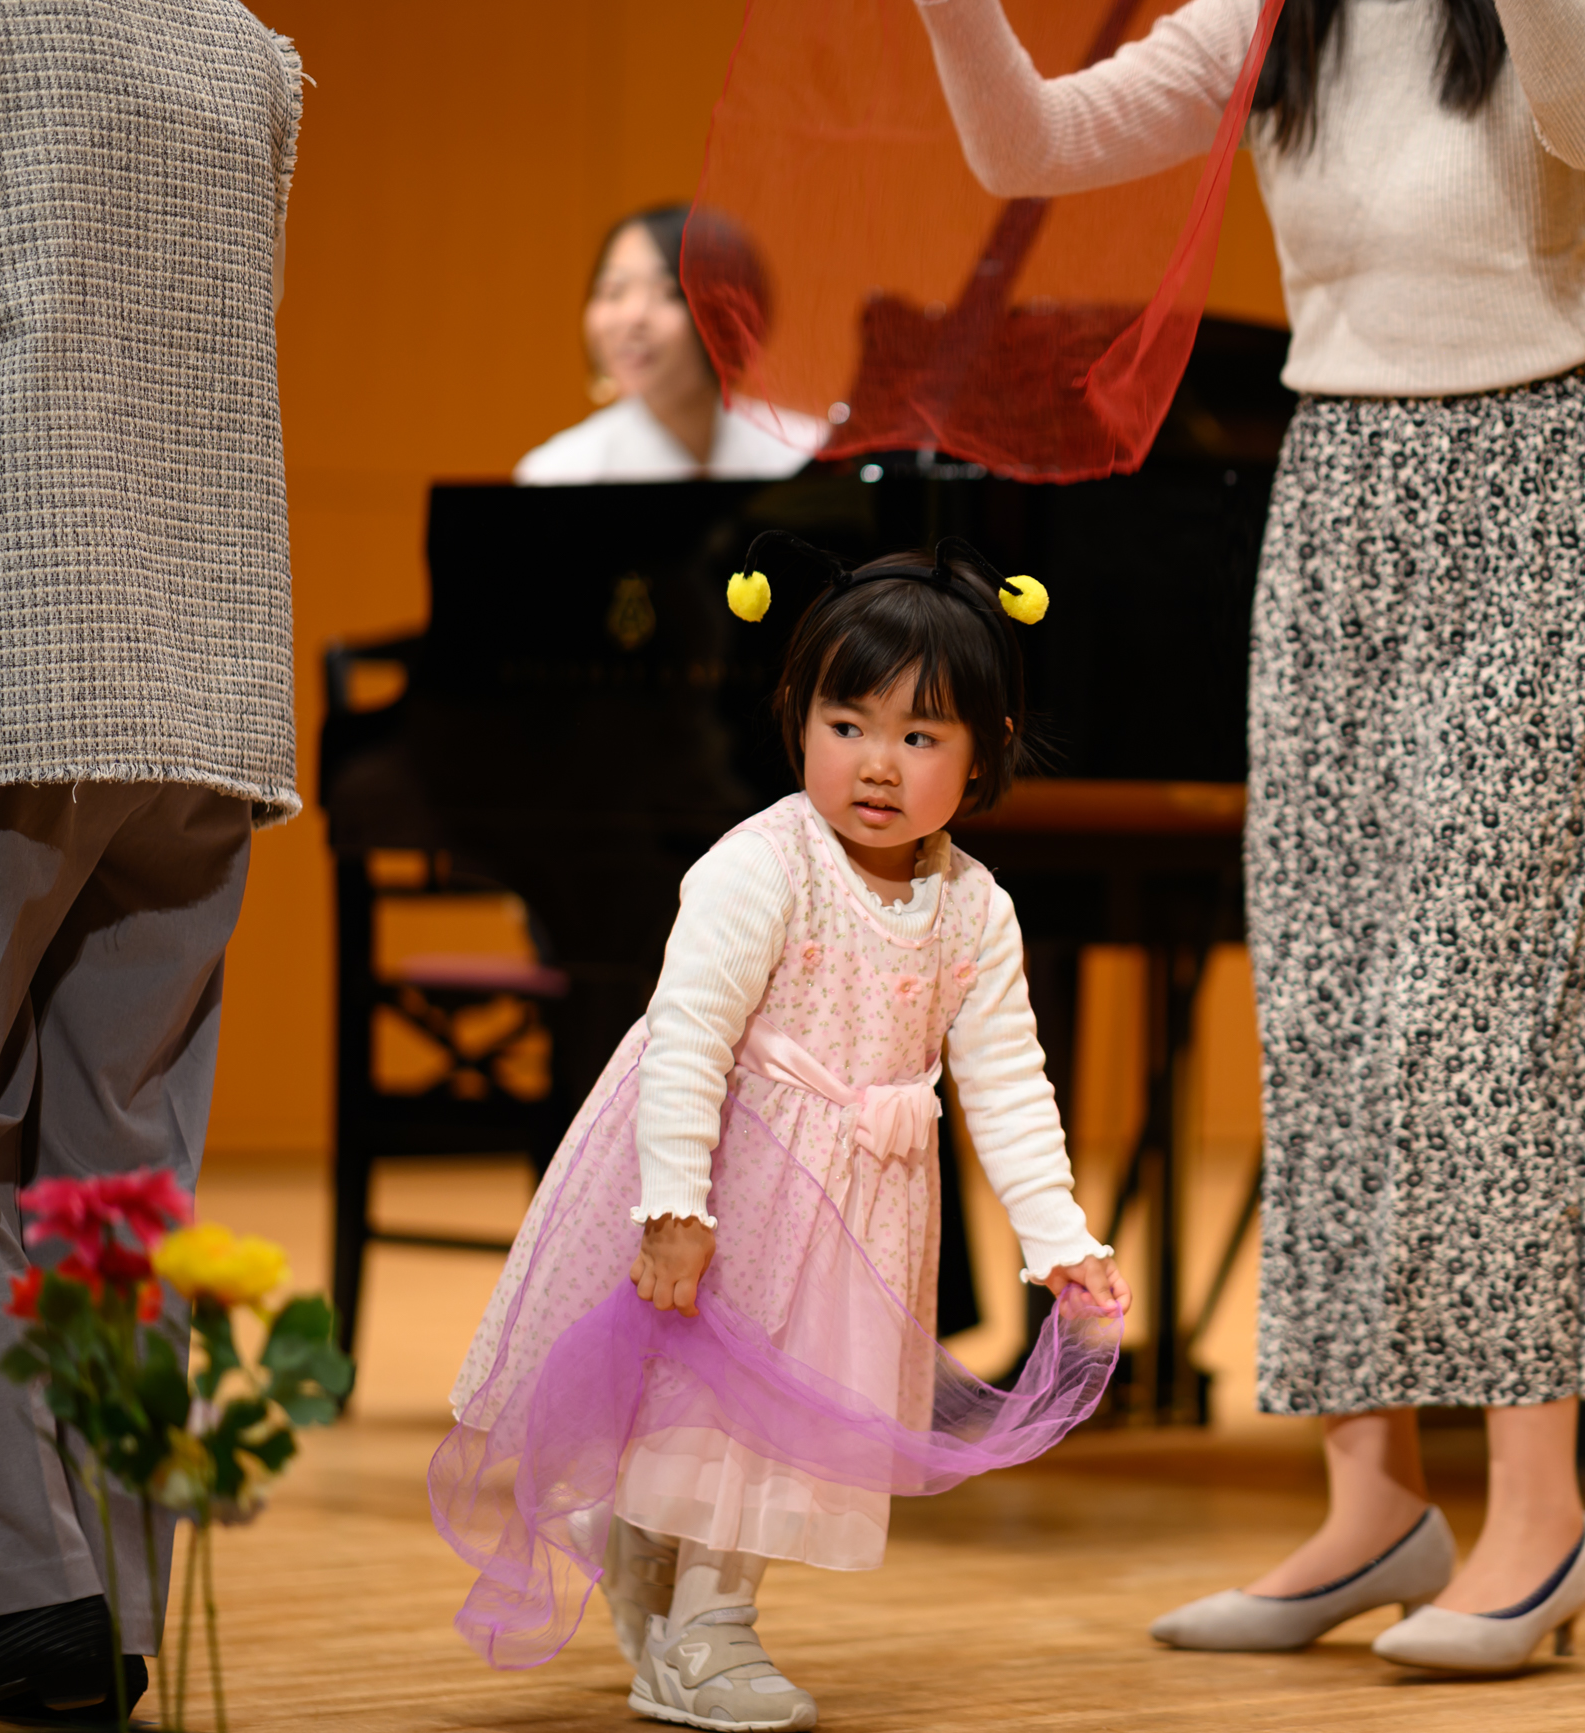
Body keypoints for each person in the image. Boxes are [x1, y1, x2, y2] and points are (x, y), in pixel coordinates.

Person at [917, 0, 1585, 1675]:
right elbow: (1024, 144)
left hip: (1533, 479)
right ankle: (1373, 1501)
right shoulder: (1270, 12)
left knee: (1487, 1013)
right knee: (1326, 1001)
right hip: (1334, 496)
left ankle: (1541, 1515)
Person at [432, 537, 1127, 1732]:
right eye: (846, 722)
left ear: (985, 754)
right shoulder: (760, 866)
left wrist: (1056, 1236)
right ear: (796, 716)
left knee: (773, 1425)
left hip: (854, 1212)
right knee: (707, 1417)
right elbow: (687, 1039)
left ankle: (677, 1595)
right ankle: (704, 1631)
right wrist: (673, 1207)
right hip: (729, 1183)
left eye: (920, 737)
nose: (876, 762)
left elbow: (1009, 1081)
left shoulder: (973, 905)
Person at [0, 1, 303, 1724]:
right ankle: (118, 1596)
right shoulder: (256, 56)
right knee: (114, 1166)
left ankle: (14, 1594)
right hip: (205, 666)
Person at [516, 205, 825, 485]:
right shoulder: (559, 476)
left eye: (668, 293)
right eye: (613, 292)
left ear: (728, 315)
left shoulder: (808, 458)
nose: (633, 317)